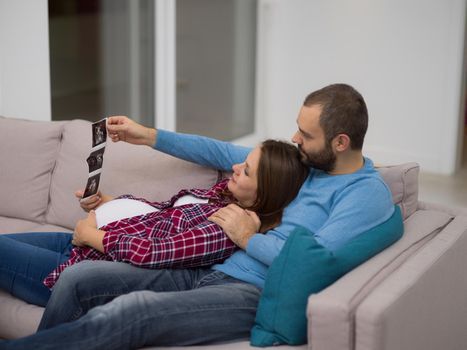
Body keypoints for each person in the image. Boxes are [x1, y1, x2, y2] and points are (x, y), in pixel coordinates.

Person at [0, 83, 395, 350]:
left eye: (305, 134)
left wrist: (248, 239)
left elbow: (311, 264)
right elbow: (220, 153)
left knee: (131, 311)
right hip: (208, 268)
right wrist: (149, 136)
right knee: (82, 278)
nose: (295, 139)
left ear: (340, 142)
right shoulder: (307, 164)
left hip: (248, 291)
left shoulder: (363, 196)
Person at [0, 139, 308, 307]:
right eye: (244, 160)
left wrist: (92, 236)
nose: (234, 167)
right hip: (84, 242)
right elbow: (158, 213)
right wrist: (111, 204)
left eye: (247, 171)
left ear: (264, 191)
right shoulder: (221, 196)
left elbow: (155, 252)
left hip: (82, 263)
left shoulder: (225, 228)